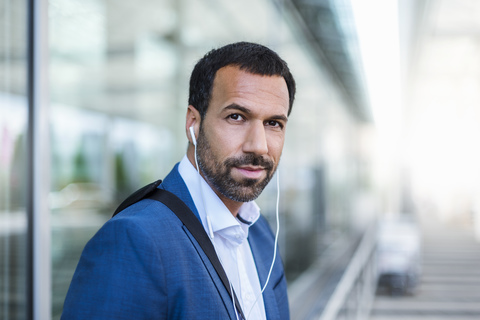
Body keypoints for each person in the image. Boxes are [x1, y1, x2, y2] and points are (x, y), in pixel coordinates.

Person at [61, 41, 296, 320]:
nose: (258, 145)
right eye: (236, 117)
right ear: (193, 123)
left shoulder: (261, 233)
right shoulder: (134, 239)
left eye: (273, 124)